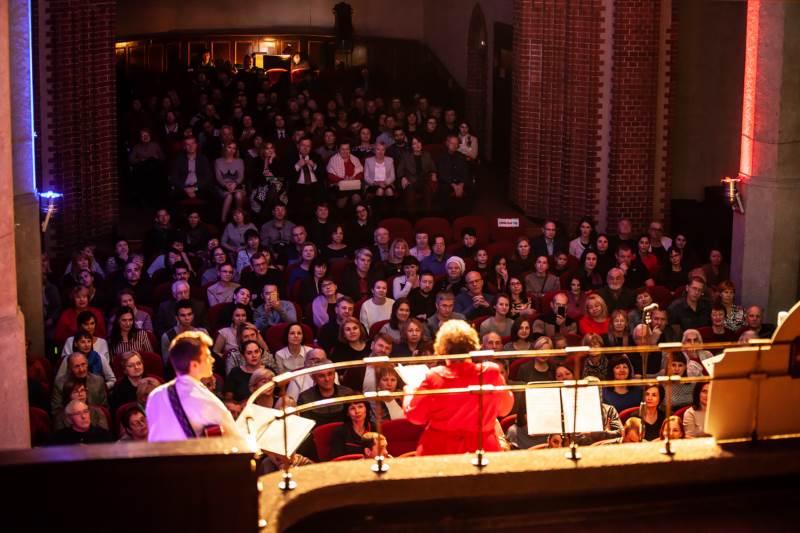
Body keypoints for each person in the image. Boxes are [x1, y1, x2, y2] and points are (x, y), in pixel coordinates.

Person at [404, 320, 514, 456]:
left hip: (440, 450)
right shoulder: (491, 372)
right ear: (473, 347)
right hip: (482, 448)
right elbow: (505, 409)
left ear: (442, 349)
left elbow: (416, 417)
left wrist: (409, 392)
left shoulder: (434, 376)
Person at [147, 331, 245, 441]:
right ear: (194, 365)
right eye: (207, 356)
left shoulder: (155, 395)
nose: (212, 360)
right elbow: (236, 439)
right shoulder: (206, 400)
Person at [297, 358, 356, 426]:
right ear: (314, 378)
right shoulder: (304, 398)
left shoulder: (347, 393)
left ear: (335, 375)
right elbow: (305, 427)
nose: (327, 379)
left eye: (330, 374)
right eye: (321, 376)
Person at [49, 400, 114, 445]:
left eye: (85, 411)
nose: (83, 416)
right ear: (69, 418)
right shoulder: (59, 438)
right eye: (78, 413)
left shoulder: (104, 435)